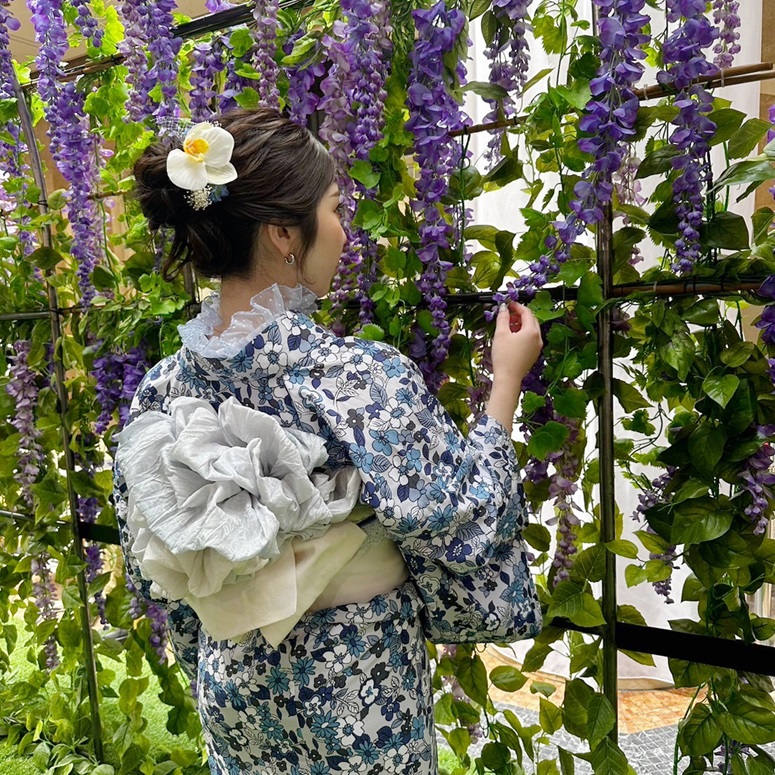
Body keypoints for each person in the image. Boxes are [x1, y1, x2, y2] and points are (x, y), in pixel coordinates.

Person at [113, 108, 543, 775]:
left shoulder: (160, 392)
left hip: (233, 683)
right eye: (336, 209)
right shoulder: (352, 377)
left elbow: (157, 567)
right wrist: (505, 382)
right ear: (285, 233)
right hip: (354, 679)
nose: (345, 232)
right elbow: (465, 523)